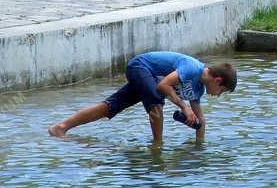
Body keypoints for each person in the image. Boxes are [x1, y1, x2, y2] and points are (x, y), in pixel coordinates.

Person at [47, 52, 237, 143]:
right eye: (222, 91)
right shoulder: (192, 67)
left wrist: (199, 146)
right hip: (141, 67)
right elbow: (163, 85)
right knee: (156, 102)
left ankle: (60, 128)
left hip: (150, 79)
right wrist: (183, 107)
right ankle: (158, 147)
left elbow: (200, 120)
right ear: (218, 80)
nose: (218, 95)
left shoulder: (198, 90)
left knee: (109, 108)